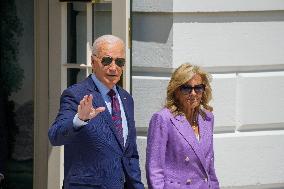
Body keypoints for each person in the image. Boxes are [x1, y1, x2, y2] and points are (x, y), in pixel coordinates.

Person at [48, 35, 144, 189]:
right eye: (107, 60)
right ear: (93, 62)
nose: (113, 67)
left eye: (119, 62)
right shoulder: (76, 95)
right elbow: (55, 136)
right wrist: (79, 120)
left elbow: (130, 154)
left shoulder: (126, 99)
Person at [146, 63, 220, 189]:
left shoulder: (207, 118)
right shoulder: (163, 119)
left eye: (198, 88)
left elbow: (209, 166)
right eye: (186, 88)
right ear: (176, 91)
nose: (193, 93)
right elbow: (154, 169)